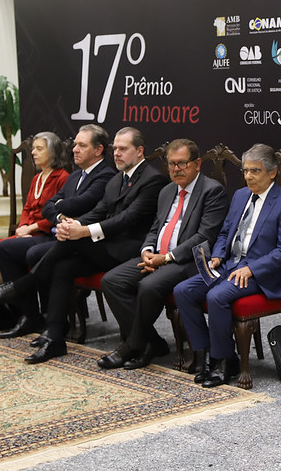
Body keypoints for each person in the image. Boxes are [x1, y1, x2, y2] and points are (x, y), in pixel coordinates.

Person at [0, 127, 168, 364]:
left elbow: (127, 219)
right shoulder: (117, 179)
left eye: (123, 149)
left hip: (130, 250)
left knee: (70, 243)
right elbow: (99, 211)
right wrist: (74, 226)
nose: (117, 153)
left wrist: (82, 231)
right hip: (107, 245)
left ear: (139, 151)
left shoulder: (152, 179)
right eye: (115, 149)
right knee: (63, 266)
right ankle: (55, 337)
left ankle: (20, 287)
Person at [173, 143, 281, 387]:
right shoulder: (241, 195)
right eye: (245, 170)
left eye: (255, 171)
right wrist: (218, 255)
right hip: (229, 265)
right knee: (183, 291)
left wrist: (252, 269)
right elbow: (225, 232)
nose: (248, 176)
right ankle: (205, 356)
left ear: (272, 173)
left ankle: (225, 361)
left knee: (217, 297)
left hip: (261, 273)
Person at [97, 139, 229, 370]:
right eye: (171, 164)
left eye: (182, 163)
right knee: (112, 281)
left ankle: (132, 346)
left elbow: (204, 237)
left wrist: (167, 258)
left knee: (148, 286)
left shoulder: (212, 191)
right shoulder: (167, 191)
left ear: (197, 164)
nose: (176, 169)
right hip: (157, 256)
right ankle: (151, 342)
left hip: (189, 261)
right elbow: (156, 227)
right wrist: (147, 251)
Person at [0, 124, 115, 338]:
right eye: (75, 144)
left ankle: (42, 313)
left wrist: (59, 208)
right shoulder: (76, 176)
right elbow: (49, 207)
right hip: (61, 234)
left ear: (98, 150)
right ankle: (29, 316)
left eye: (81, 145)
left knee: (33, 253)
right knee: (4, 249)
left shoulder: (105, 176)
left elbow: (80, 204)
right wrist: (60, 214)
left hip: (83, 241)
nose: (74, 149)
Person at [0, 132, 69, 290]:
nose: (33, 152)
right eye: (33, 148)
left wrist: (30, 228)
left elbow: (57, 215)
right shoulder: (37, 178)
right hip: (28, 231)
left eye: (39, 149)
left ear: (52, 151)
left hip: (44, 234)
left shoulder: (62, 178)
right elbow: (27, 208)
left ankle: (6, 300)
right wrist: (22, 227)